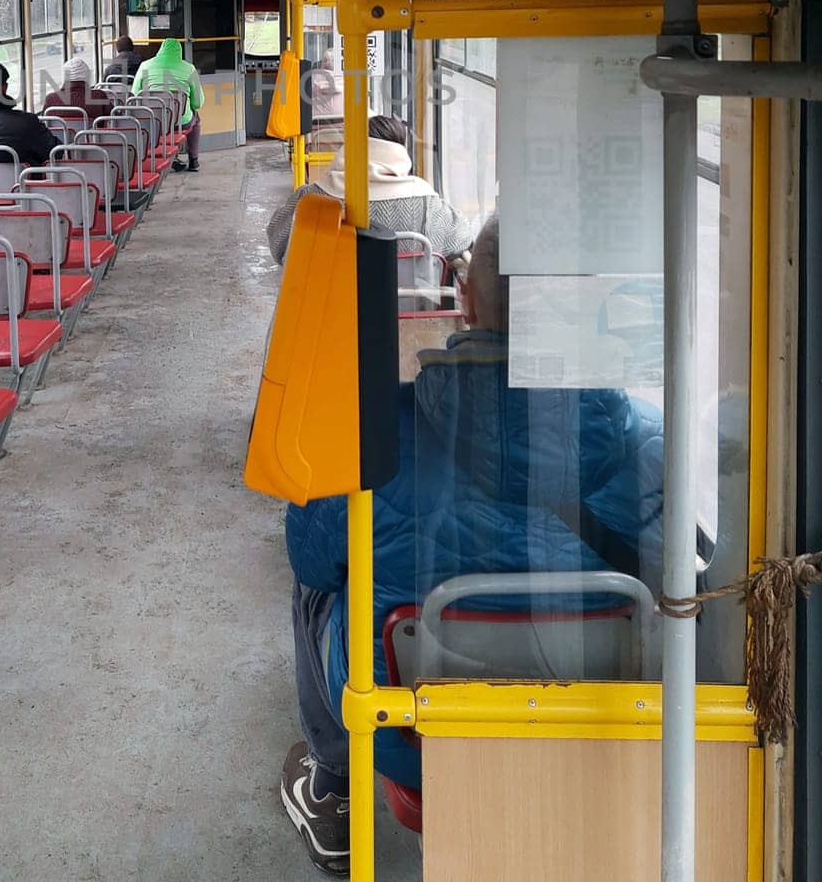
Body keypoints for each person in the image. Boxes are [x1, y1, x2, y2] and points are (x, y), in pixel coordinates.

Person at [279, 214, 663, 874]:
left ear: (465, 300)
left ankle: (333, 785)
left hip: (409, 738)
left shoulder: (373, 433)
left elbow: (311, 560)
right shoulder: (649, 442)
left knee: (316, 584)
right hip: (602, 719)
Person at [266, 115, 473, 266]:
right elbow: (461, 239)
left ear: (352, 147)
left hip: (328, 307)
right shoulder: (425, 199)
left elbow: (278, 244)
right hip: (404, 307)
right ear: (400, 151)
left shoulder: (312, 197)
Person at [132, 36, 206, 172]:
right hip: (181, 121)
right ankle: (193, 160)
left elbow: (135, 95)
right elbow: (197, 103)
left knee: (163, 121)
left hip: (153, 120)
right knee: (196, 119)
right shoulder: (189, 69)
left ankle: (173, 157)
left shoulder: (145, 66)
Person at [43, 56, 114, 124]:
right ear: (87, 75)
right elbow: (114, 118)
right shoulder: (99, 96)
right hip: (92, 136)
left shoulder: (51, 99)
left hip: (58, 137)